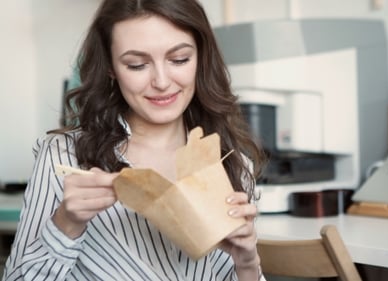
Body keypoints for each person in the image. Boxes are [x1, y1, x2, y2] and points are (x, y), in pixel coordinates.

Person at [3, 0, 267, 280]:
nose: (162, 81)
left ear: (200, 57)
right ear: (111, 68)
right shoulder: (63, 156)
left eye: (179, 59)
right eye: (137, 65)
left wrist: (247, 263)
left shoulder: (231, 161)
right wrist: (66, 223)